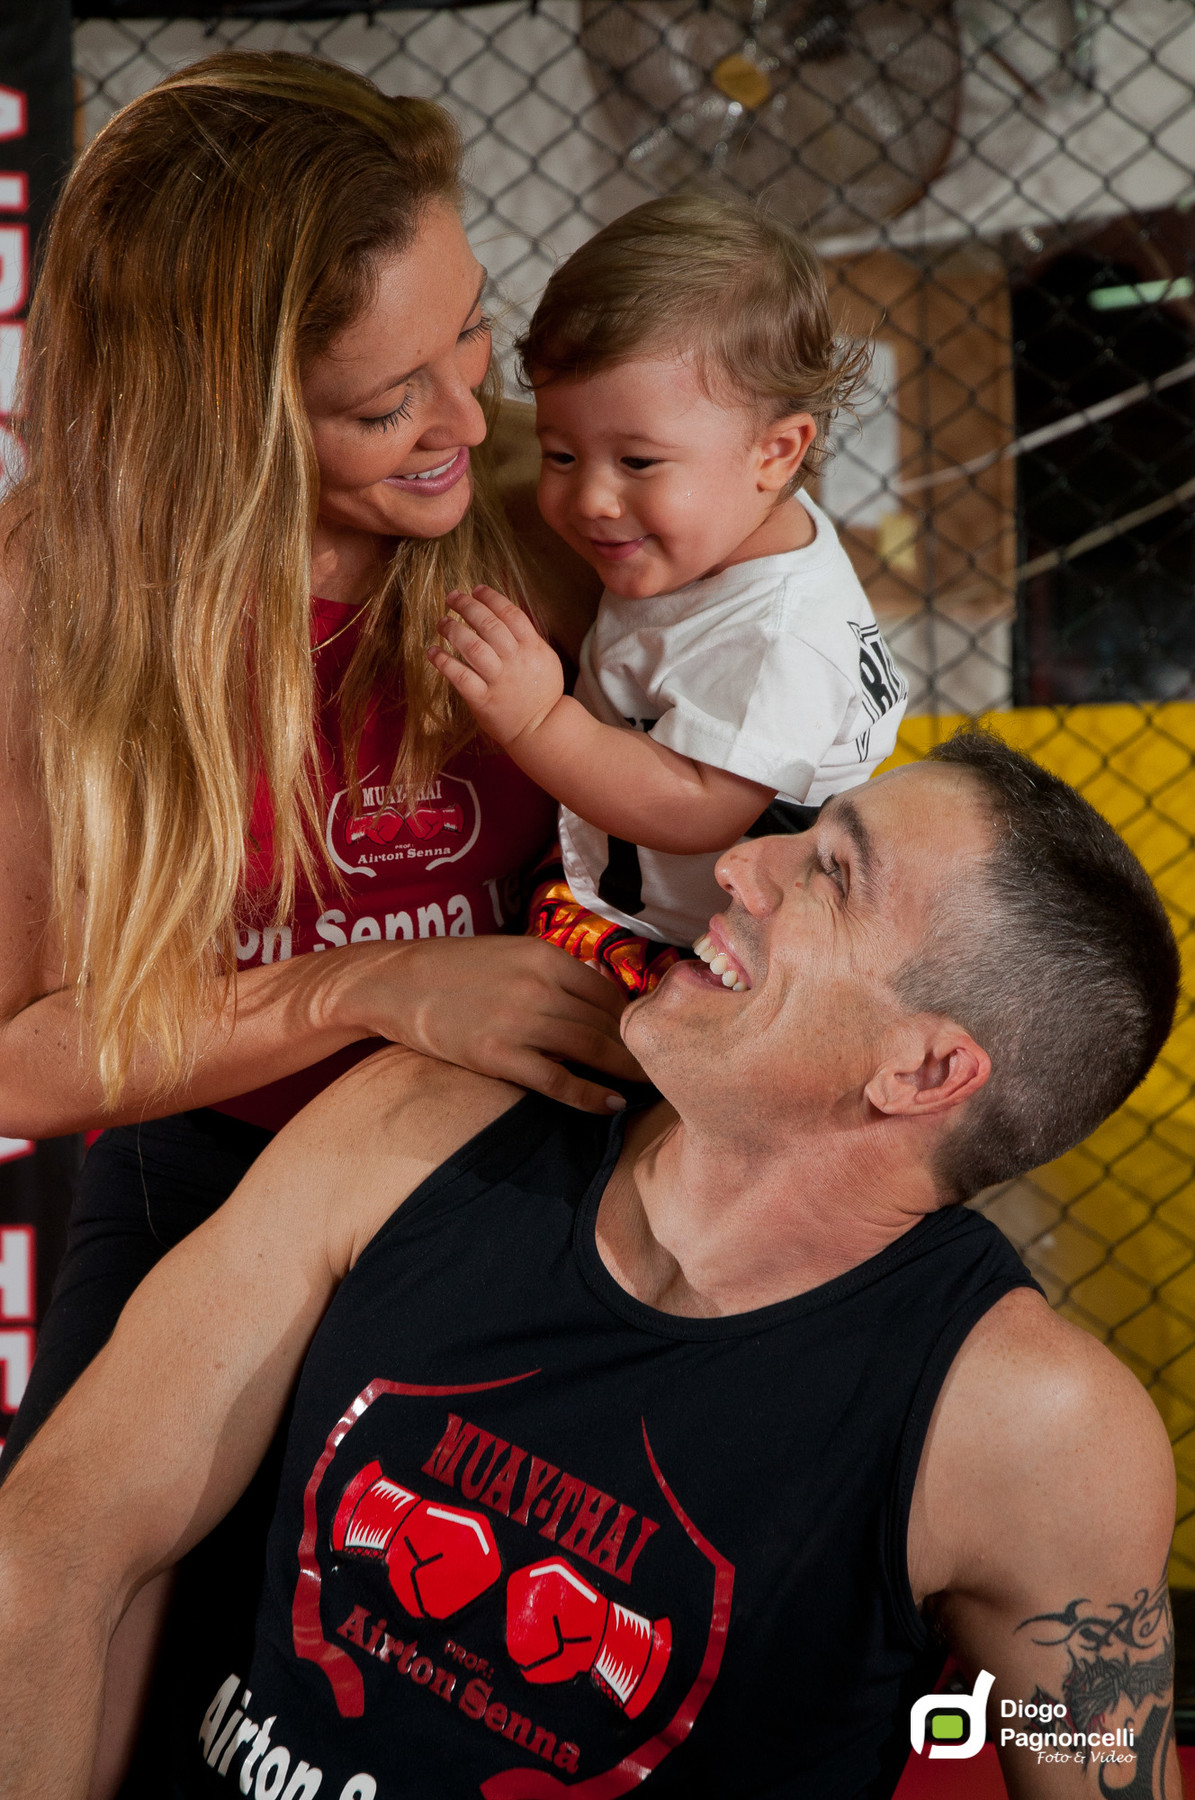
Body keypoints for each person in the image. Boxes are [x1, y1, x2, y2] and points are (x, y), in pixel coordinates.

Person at [0, 732, 1183, 1800]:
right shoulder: (420, 1122)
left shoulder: (1031, 1427)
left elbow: (1097, 1769)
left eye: (829, 875)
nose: (737, 866)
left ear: (925, 1074)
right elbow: (56, 1544)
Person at [0, 52, 643, 1468]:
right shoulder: (47, 599)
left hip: (542, 1134)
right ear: (214, 422)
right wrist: (377, 987)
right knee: (48, 1566)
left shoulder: (563, 510)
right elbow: (16, 1064)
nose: (468, 422)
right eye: (382, 408)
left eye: (471, 335)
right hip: (210, 1148)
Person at [430, 196, 907, 992]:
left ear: (775, 452)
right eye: (558, 453)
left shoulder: (775, 639)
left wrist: (538, 718)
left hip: (715, 957)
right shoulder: (729, 527)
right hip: (645, 895)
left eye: (638, 464)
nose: (591, 500)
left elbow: (696, 809)